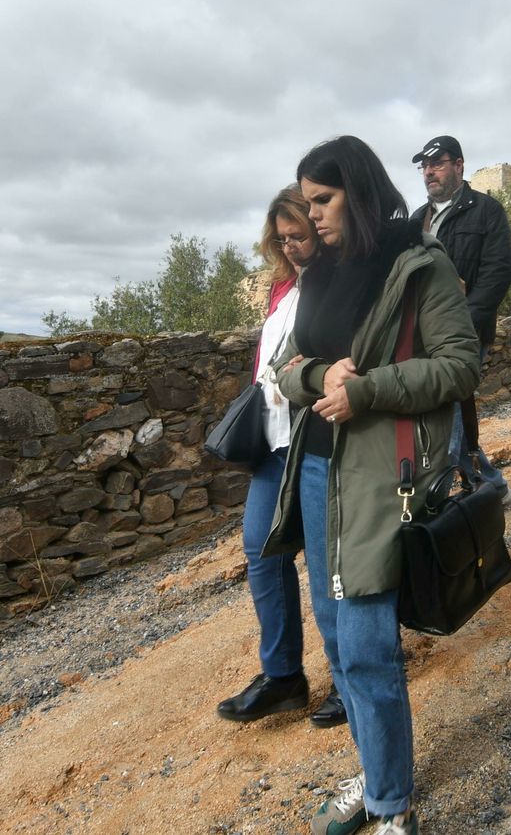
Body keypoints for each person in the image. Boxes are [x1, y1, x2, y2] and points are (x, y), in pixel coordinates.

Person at [265, 135, 480, 835]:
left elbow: (460, 367)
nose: (311, 214)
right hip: (319, 468)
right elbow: (288, 366)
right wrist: (316, 378)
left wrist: (369, 391)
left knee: (364, 645)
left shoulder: (420, 263)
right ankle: (379, 770)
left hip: (382, 476)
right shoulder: (321, 270)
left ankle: (391, 807)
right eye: (306, 200)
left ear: (357, 192)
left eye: (322, 200)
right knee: (335, 639)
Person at [216, 186, 346, 728]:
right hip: (273, 440)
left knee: (325, 564)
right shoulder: (281, 286)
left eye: (299, 234)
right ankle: (284, 676)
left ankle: (348, 677)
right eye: (282, 238)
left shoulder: (342, 279)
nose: (291, 246)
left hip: (317, 435)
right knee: (261, 552)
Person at [408, 135, 511, 499]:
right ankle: (488, 485)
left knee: (447, 413)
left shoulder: (485, 210)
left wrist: (461, 325)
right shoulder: (415, 220)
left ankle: (435, 500)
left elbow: (498, 272)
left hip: (466, 334)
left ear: (459, 165)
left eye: (437, 163)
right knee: (446, 413)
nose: (429, 172)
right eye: (424, 166)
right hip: (422, 338)